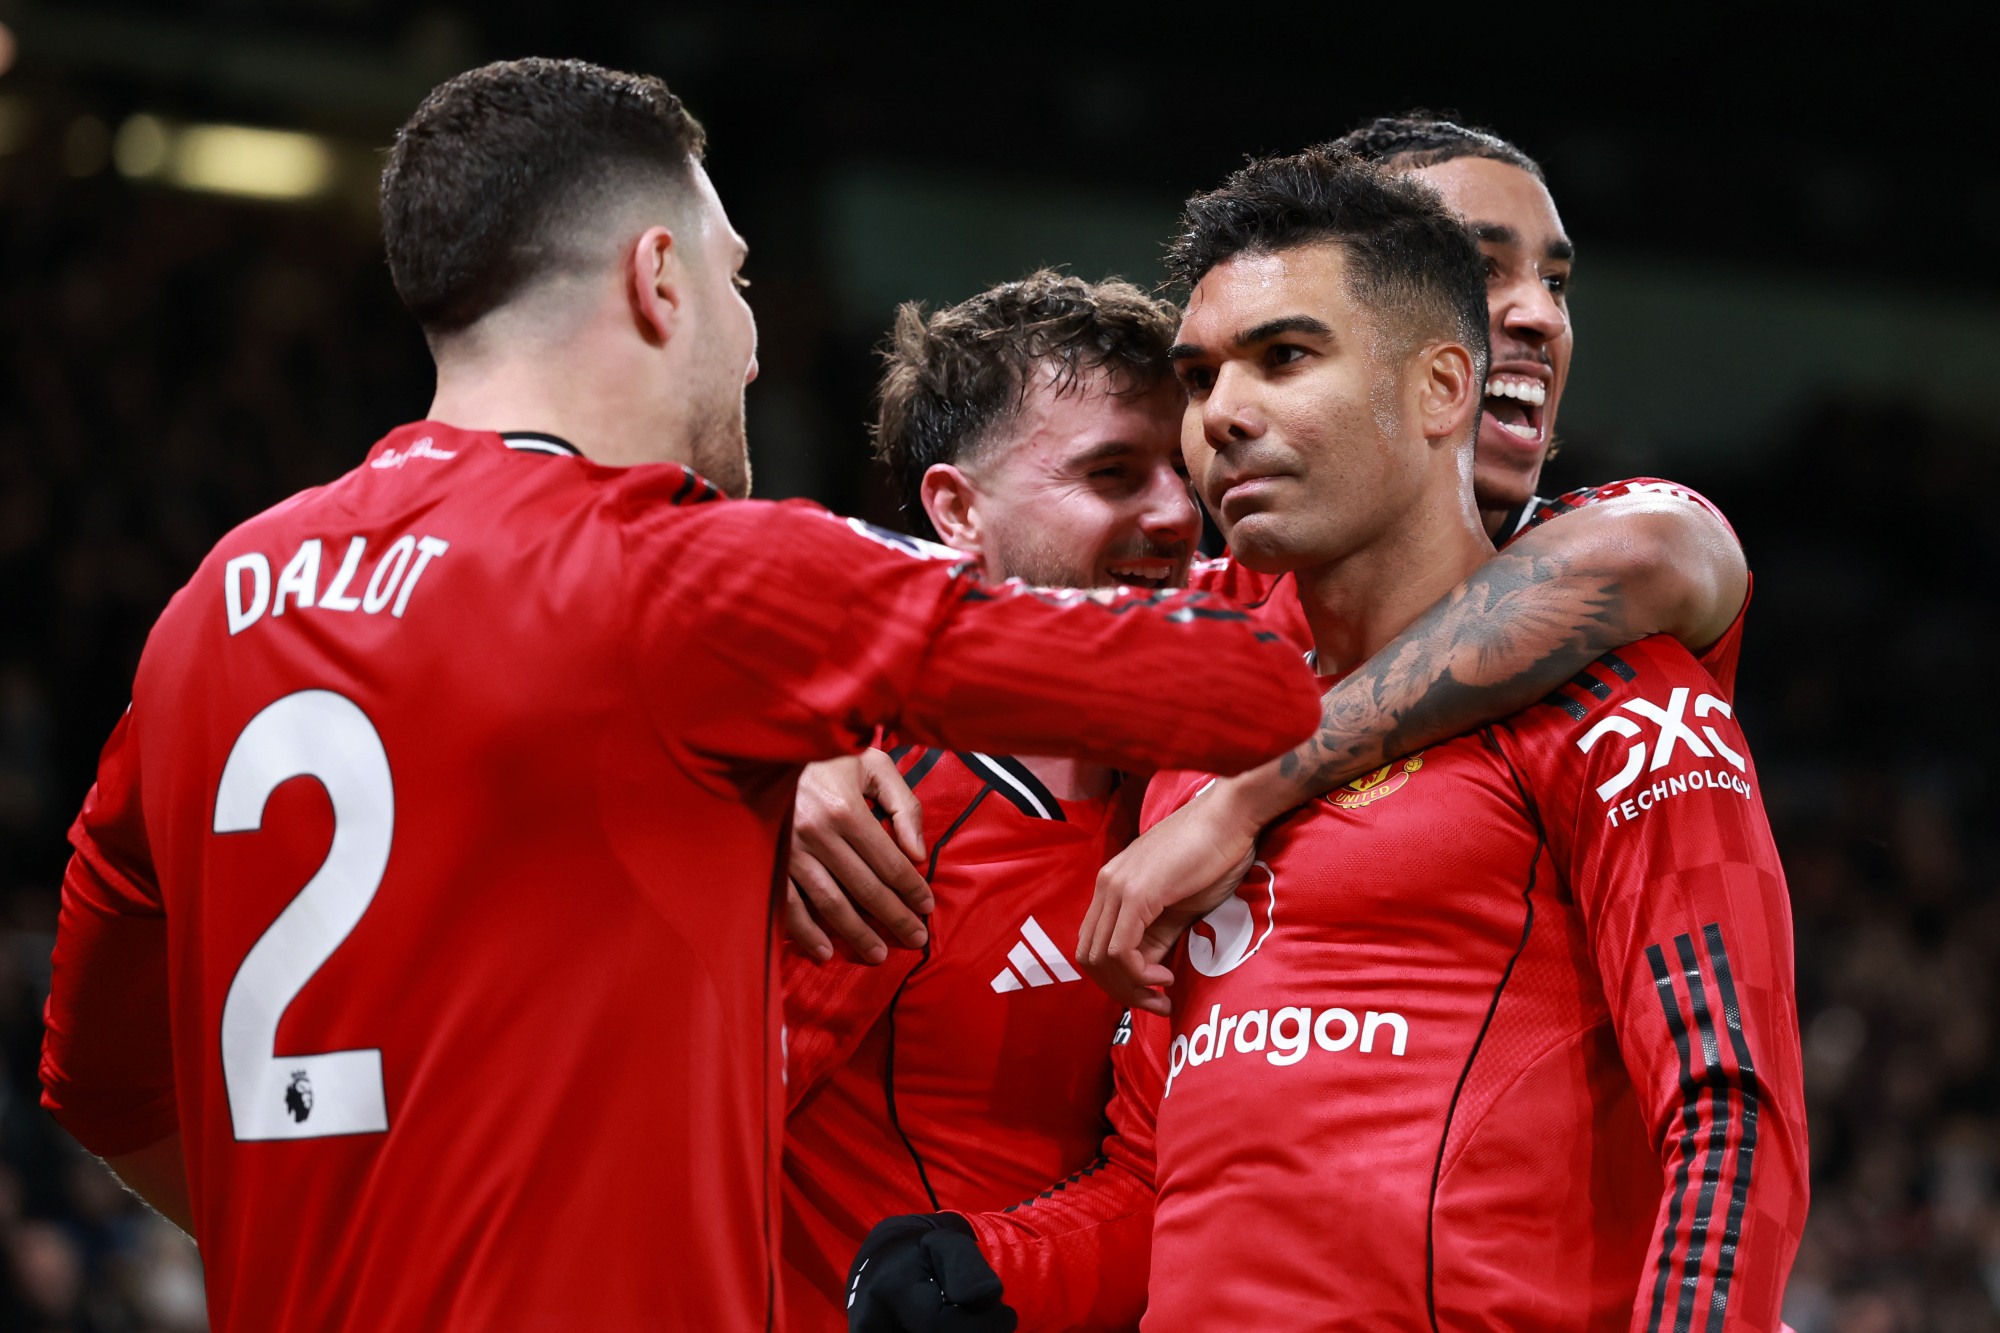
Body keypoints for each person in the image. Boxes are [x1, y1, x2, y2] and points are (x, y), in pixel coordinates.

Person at [32, 60, 1327, 1332]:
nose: (753, 349)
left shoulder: (214, 605)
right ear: (658, 281)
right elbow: (1246, 686)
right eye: (737, 280)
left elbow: (96, 1077)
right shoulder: (694, 574)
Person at [849, 148, 1806, 1330]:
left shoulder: (1615, 684)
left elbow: (1726, 1104)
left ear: (1440, 385)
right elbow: (1158, 1168)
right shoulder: (1188, 720)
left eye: (1285, 357)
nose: (1220, 415)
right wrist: (816, 741)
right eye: (1198, 377)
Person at [781, 272, 1203, 1330]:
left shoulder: (1212, 785)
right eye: (1113, 474)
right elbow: (676, 1141)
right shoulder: (869, 811)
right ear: (957, 510)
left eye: (1185, 471)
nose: (1176, 514)